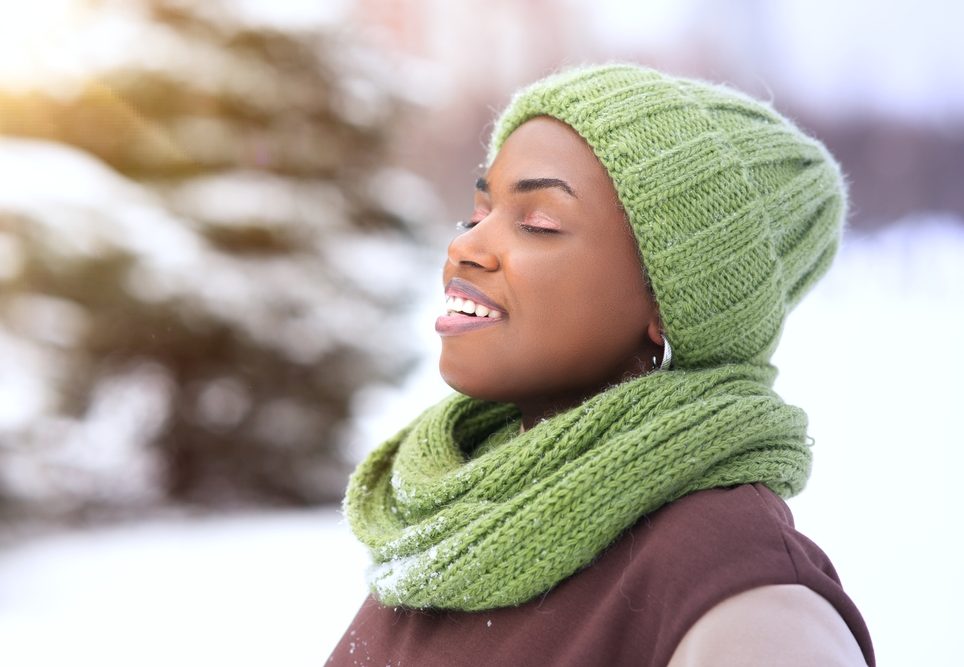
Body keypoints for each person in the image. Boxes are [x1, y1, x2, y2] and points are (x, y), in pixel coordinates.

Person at [326, 64, 874, 666]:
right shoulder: (446, 525)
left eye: (537, 223)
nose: (464, 246)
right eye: (478, 215)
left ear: (672, 304)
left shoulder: (744, 595)